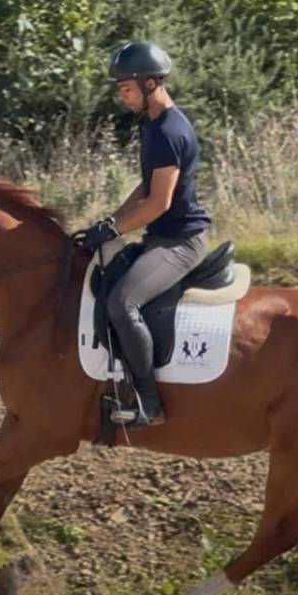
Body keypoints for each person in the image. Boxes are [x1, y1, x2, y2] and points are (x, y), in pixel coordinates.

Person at [76, 41, 212, 428]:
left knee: (123, 302)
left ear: (150, 82)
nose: (122, 95)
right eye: (119, 89)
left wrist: (117, 227)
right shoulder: (153, 125)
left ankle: (148, 402)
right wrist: (110, 221)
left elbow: (159, 204)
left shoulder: (169, 131)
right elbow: (145, 188)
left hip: (180, 242)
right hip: (162, 237)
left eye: (126, 87)